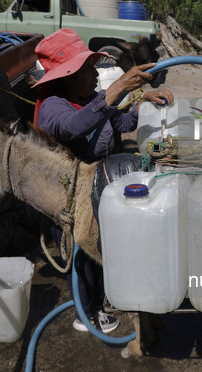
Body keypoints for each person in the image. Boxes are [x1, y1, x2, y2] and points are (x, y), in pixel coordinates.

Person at [31, 28, 173, 333]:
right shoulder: (53, 107)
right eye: (88, 69)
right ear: (67, 76)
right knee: (79, 257)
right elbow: (73, 128)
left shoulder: (89, 97)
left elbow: (120, 121)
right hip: (68, 197)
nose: (95, 74)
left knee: (101, 247)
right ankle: (86, 315)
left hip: (99, 188)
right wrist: (119, 86)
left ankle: (101, 298)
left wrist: (143, 102)